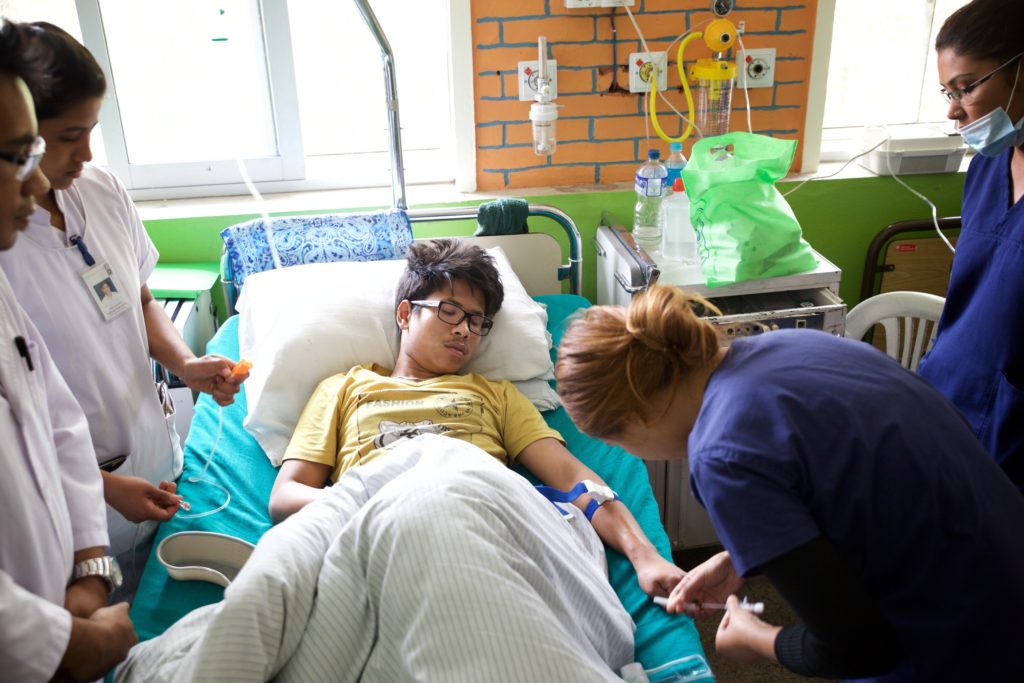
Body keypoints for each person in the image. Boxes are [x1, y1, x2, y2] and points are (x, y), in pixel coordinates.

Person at [554, 284, 1024, 682]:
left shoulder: (721, 457)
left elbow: (857, 646)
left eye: (618, 443)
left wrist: (758, 640)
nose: (630, 455)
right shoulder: (779, 348)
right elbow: (847, 485)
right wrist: (744, 559)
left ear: (637, 417)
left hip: (965, 634)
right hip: (1002, 550)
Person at [269, 238, 682, 596]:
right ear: (403, 314)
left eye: (476, 320)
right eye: (449, 311)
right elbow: (286, 498)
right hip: (381, 531)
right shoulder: (344, 389)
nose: (465, 330)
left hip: (480, 526)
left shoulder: (497, 396)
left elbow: (574, 479)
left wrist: (644, 557)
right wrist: (375, 505)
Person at [0, 21, 249, 599]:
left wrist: (185, 365)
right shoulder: (10, 245)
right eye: (66, 136)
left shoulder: (101, 190)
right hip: (79, 508)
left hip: (154, 455)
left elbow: (136, 298)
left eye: (91, 131)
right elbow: (36, 424)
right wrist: (106, 488)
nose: (85, 154)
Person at [0, 19, 136, 681]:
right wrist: (76, 643)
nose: (35, 185)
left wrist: (89, 569)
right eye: (16, 156)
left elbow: (58, 422)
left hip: (74, 595)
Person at [917, 0, 1024, 491]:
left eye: (968, 87)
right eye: (948, 91)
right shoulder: (987, 167)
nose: (954, 109)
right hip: (952, 391)